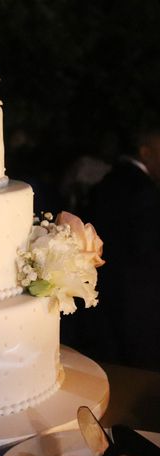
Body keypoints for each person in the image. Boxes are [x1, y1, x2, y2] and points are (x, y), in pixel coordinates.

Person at [82, 124, 160, 370]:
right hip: (139, 300)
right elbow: (146, 250)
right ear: (145, 152)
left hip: (108, 291)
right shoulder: (143, 190)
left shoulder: (109, 180)